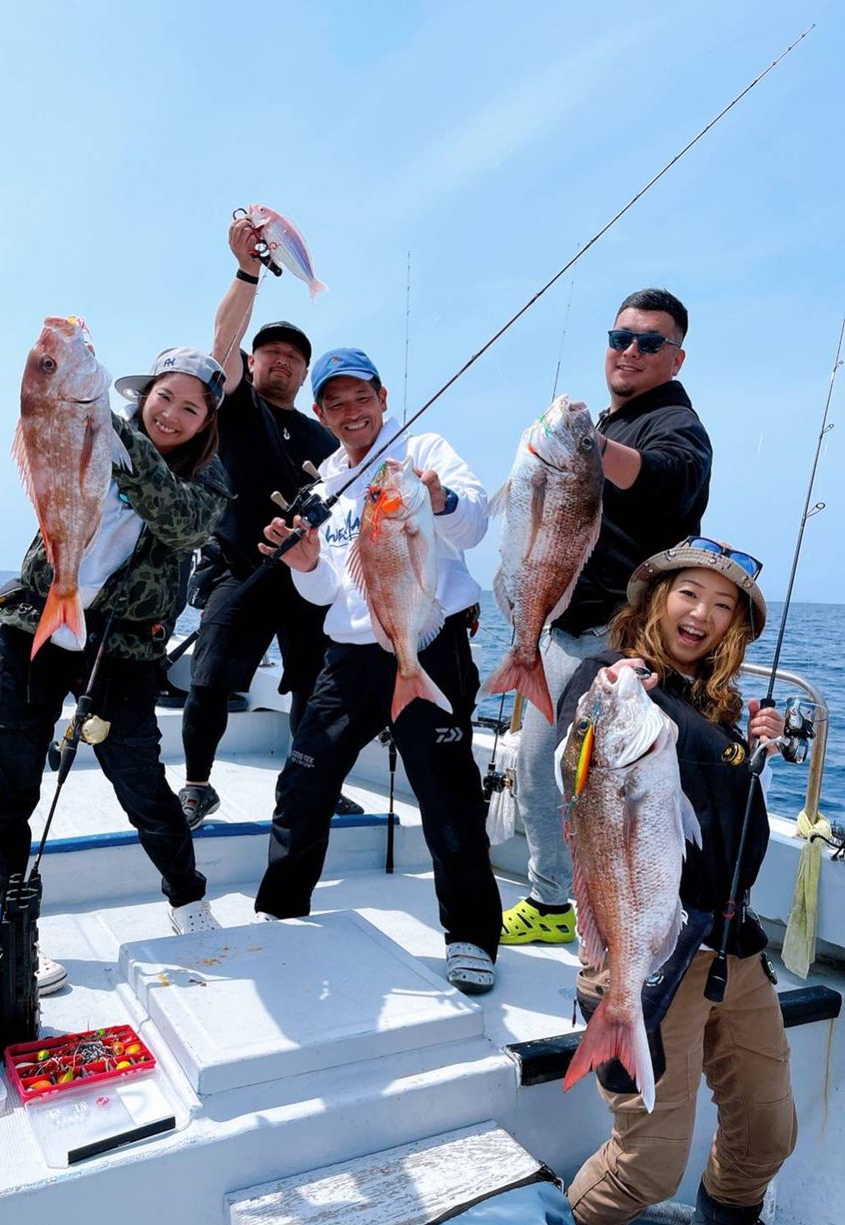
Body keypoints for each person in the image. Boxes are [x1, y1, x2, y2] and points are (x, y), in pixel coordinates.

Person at [559, 538, 796, 1225]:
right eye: (690, 593)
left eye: (724, 606)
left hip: (733, 945)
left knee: (768, 1129)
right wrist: (602, 709)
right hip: (648, 957)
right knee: (649, 1166)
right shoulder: (613, 682)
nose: (704, 613)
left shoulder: (717, 705)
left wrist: (752, 743)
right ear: (656, 597)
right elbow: (577, 767)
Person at [0, 345, 229, 994]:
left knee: (145, 789)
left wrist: (119, 440)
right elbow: (37, 433)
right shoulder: (87, 426)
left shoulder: (207, 479)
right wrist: (79, 413)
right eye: (163, 397)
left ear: (208, 421)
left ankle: (187, 899)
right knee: (9, 791)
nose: (171, 413)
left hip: (122, 652)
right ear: (140, 393)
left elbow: (184, 524)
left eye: (190, 407)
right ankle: (6, 934)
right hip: (33, 623)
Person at [255, 348, 503, 993]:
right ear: (320, 412)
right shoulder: (325, 487)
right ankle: (281, 910)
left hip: (427, 647)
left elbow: (474, 527)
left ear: (383, 397)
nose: (350, 411)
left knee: (447, 794)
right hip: (351, 656)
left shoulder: (423, 450)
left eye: (360, 397)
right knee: (303, 783)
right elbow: (325, 595)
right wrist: (304, 561)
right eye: (334, 402)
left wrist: (439, 497)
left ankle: (472, 936)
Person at [501, 288, 714, 946]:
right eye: (621, 337)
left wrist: (582, 446)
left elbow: (670, 481)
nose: (630, 350)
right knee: (541, 766)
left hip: (622, 641)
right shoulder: (610, 425)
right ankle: (557, 903)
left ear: (675, 359)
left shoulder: (676, 425)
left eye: (650, 342)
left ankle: (625, 923)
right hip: (560, 627)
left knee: (602, 782)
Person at [179, 217, 363, 828]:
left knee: (321, 687)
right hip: (240, 569)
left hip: (309, 576)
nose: (282, 362)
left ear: (305, 375)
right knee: (207, 682)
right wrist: (247, 271)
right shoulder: (234, 407)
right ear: (251, 363)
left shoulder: (327, 437)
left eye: (293, 358)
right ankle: (198, 784)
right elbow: (219, 344)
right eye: (271, 353)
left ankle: (315, 784)